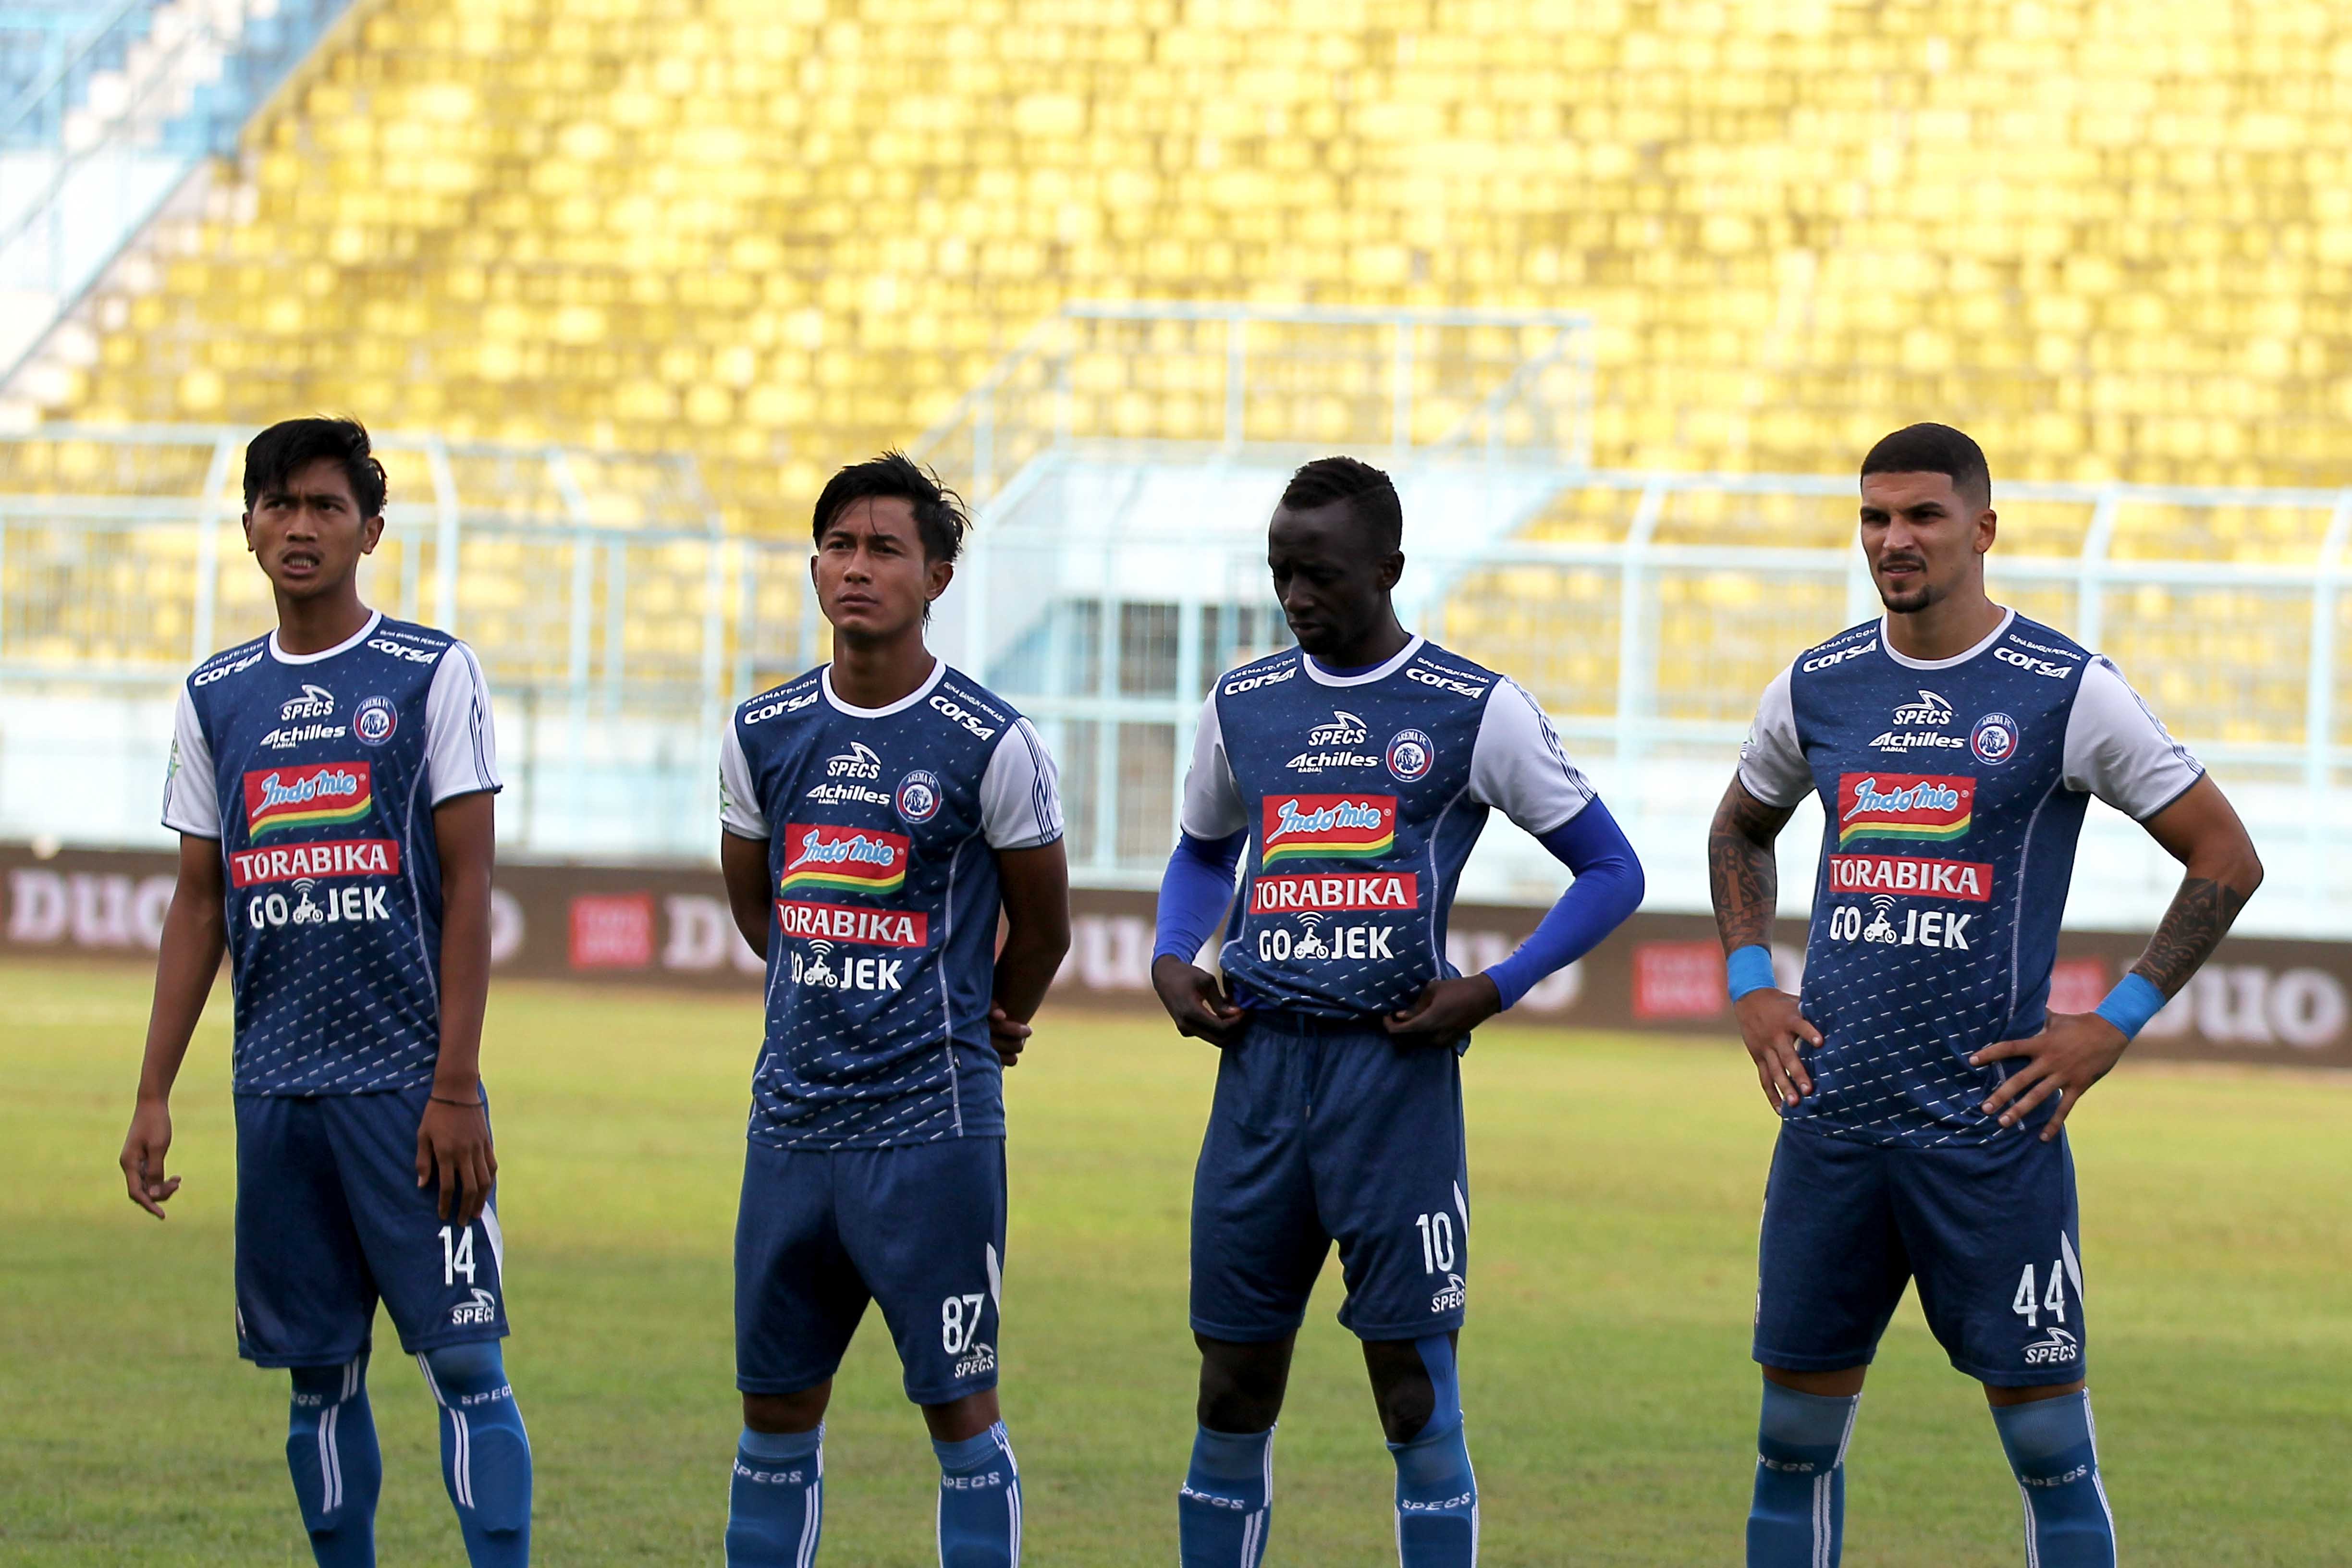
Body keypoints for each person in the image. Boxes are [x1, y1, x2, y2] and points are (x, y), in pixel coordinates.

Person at [1710, 423, 2265, 1568]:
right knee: (1791, 1442)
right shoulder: (1819, 684)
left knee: (2052, 1450)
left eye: (1921, 515)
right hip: (1835, 1125)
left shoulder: (2065, 689)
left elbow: (2225, 855)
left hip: (1989, 1132)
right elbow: (1741, 827)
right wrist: (1751, 981)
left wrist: (2112, 1024)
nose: (1893, 539)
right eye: (1875, 517)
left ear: (1983, 528)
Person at [1151, 455, 1647, 1567]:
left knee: (1411, 1393)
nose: (1295, 597)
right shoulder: (1244, 703)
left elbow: (1612, 871)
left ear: (1390, 569)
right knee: (1230, 1388)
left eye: (1319, 574)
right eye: (1281, 573)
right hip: (1259, 1083)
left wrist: (1492, 986)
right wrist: (1175, 956)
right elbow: (1201, 850)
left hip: (1394, 1090)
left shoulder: (1475, 707)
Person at [120, 416, 528, 1567]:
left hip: (407, 1090)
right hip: (278, 1091)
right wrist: (154, 1093)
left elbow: (469, 879)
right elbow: (199, 901)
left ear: (370, 531)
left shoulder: (431, 672)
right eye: (279, 505)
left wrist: (455, 1088)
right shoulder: (218, 696)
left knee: (464, 1364)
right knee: (317, 1380)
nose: (300, 526)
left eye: (326, 507)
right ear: (247, 525)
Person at [715, 452, 1071, 1568]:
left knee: (961, 1416)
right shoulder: (762, 731)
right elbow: (762, 908)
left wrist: (990, 1018)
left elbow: (1044, 926)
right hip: (792, 1130)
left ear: (939, 576)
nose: (855, 568)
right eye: (838, 545)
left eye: (884, 549)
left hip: (933, 1132)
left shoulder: (988, 740)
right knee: (774, 1418)